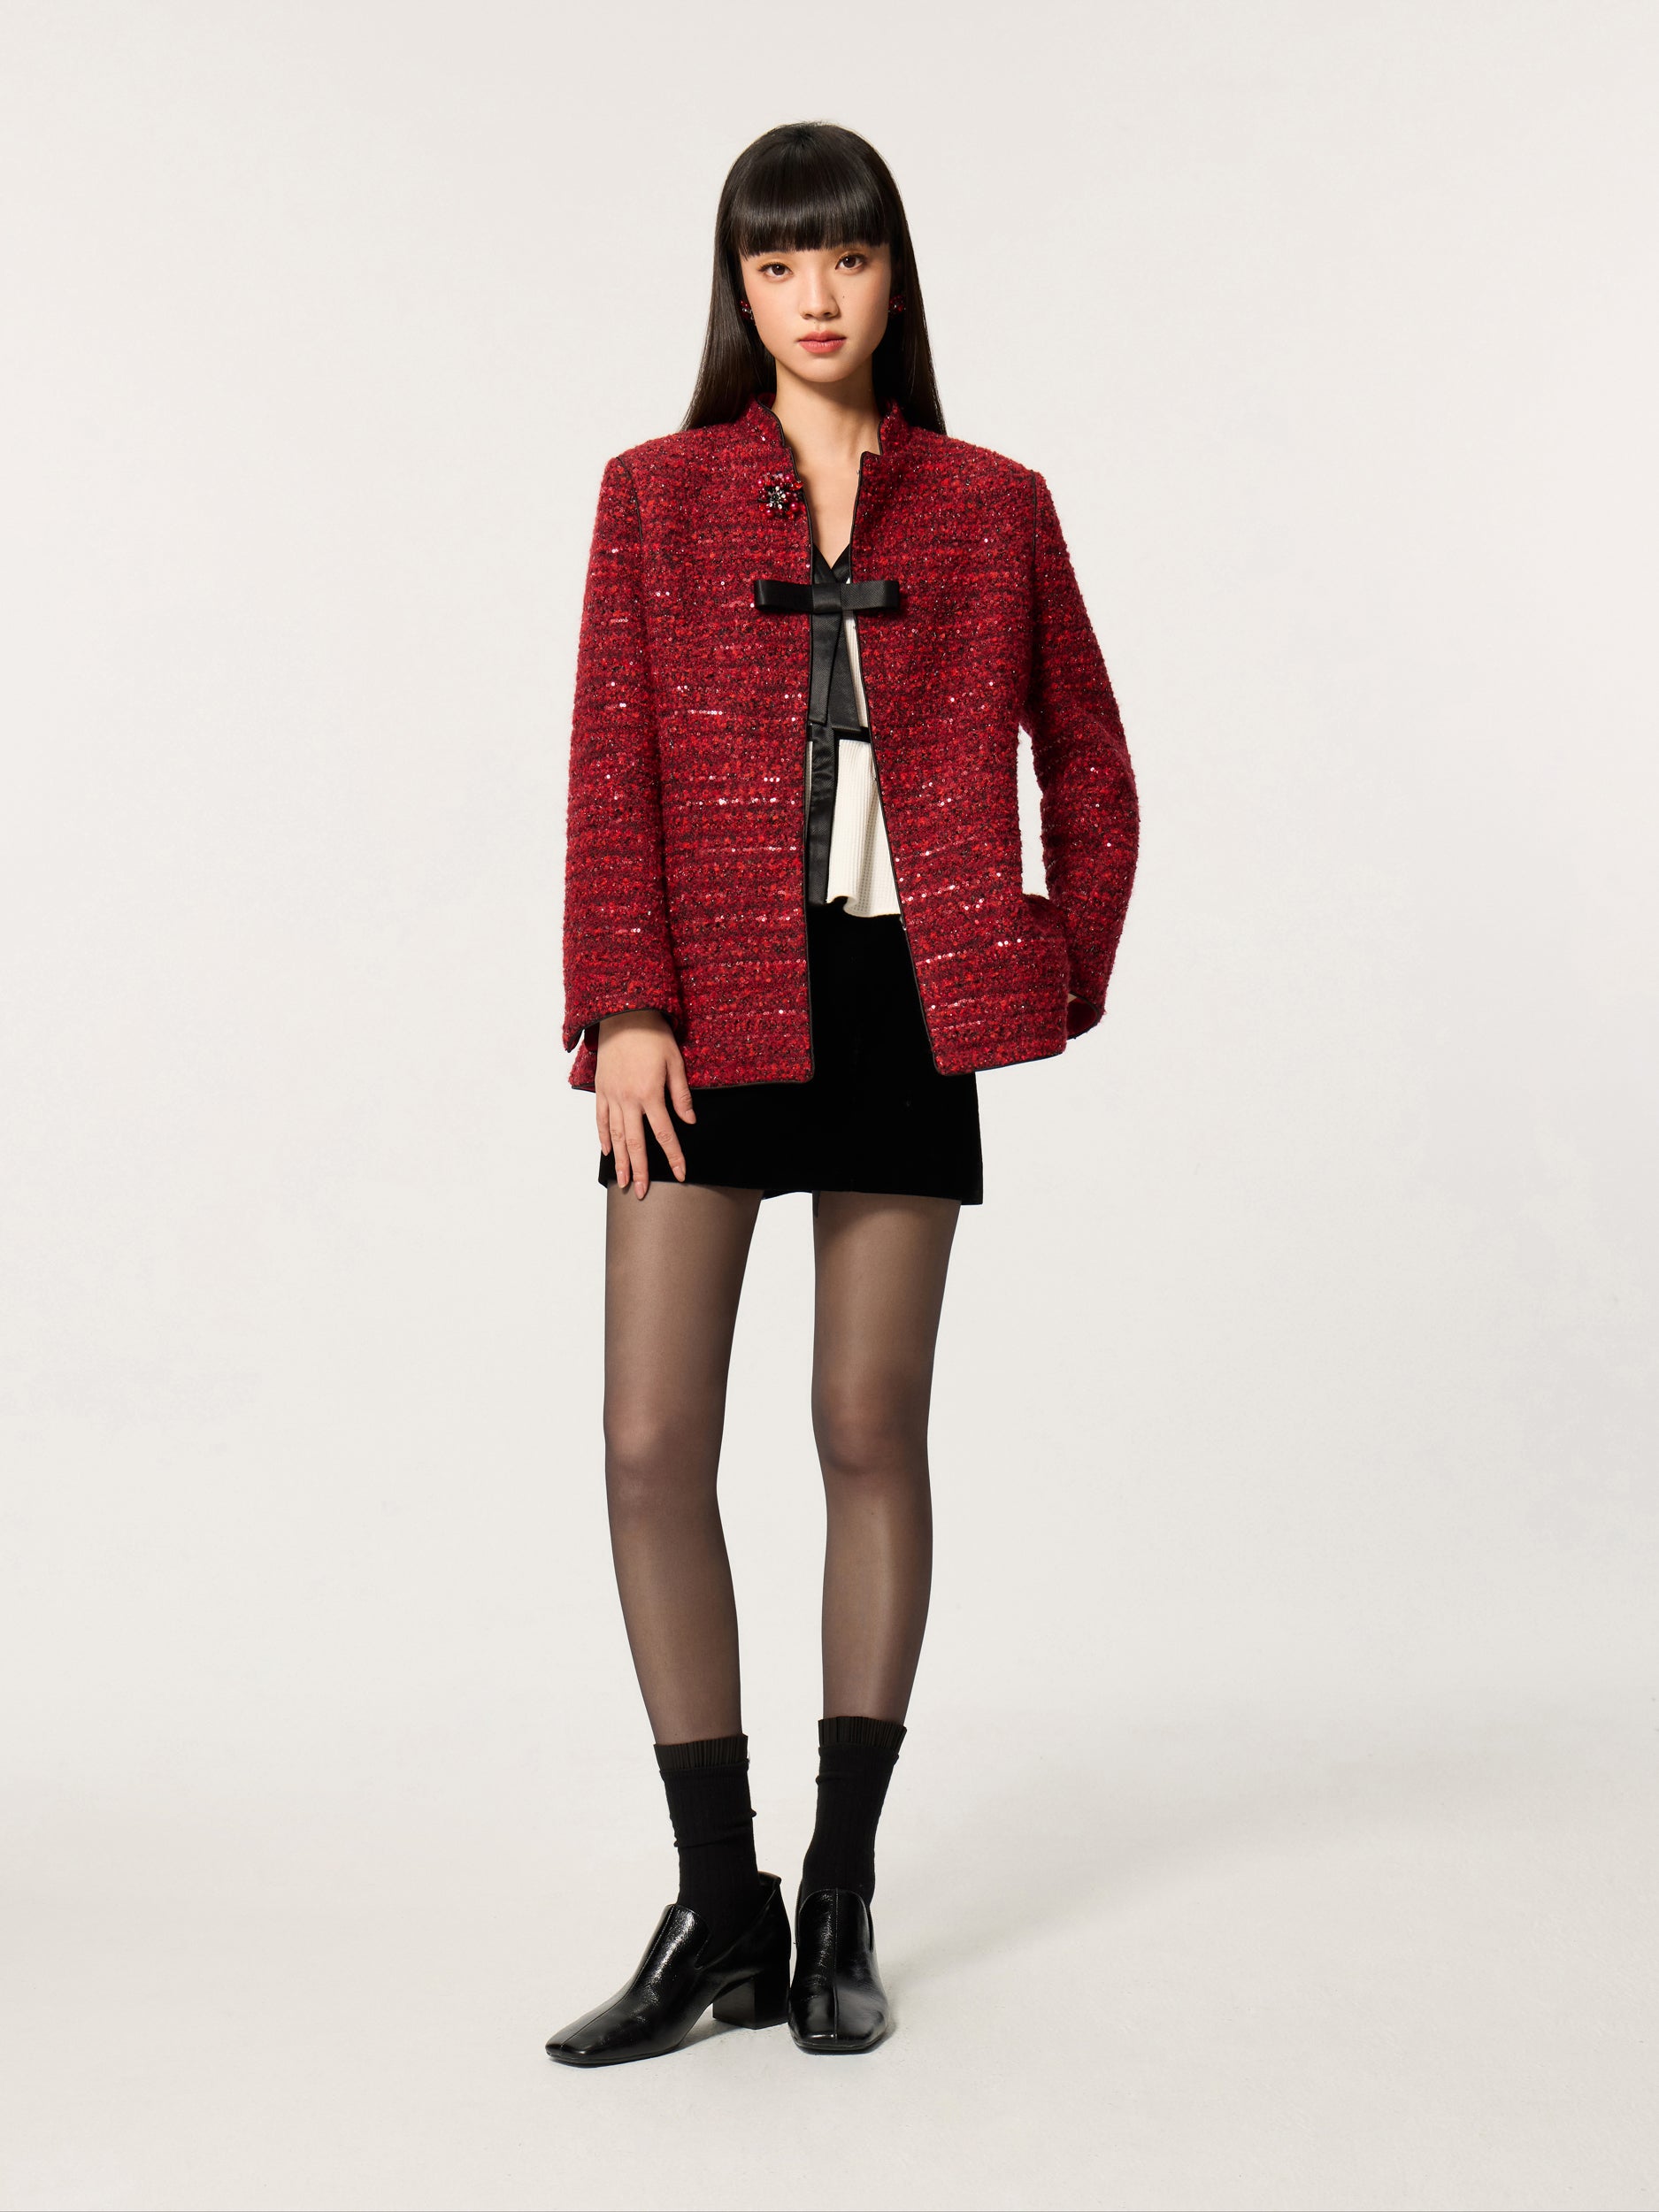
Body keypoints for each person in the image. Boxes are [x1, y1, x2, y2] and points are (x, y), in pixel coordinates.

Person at [545, 119, 1139, 2066]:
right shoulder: (652, 497)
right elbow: (609, 767)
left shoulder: (990, 503)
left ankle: (841, 1895)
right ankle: (715, 1905)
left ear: (894, 276)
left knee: (864, 1423)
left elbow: (1091, 761)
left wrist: (1043, 960)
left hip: (900, 994)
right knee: (650, 1440)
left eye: (848, 258)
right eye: (777, 264)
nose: (815, 297)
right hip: (704, 1003)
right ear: (738, 289)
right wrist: (626, 1002)